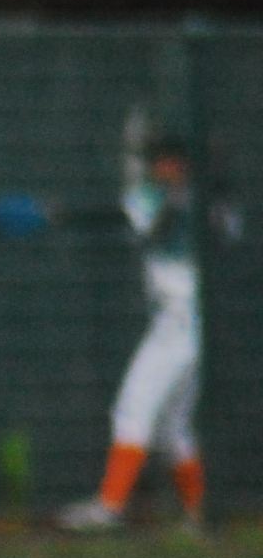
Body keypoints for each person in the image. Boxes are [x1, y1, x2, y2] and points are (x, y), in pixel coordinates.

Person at [57, 135, 240, 533]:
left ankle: (109, 506)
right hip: (186, 324)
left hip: (182, 321)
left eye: (164, 161)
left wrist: (199, 187)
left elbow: (221, 232)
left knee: (132, 408)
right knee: (174, 424)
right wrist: (58, 214)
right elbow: (129, 219)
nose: (157, 168)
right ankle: (200, 514)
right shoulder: (161, 196)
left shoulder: (207, 200)